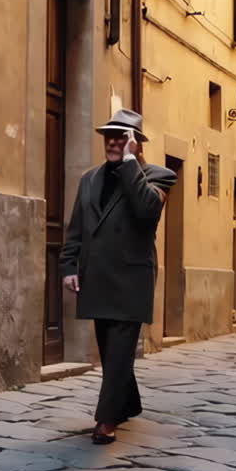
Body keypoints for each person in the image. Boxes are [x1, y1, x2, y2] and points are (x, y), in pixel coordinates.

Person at [59, 109, 176, 445]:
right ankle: (128, 403)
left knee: (120, 350)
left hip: (131, 280)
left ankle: (106, 420)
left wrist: (128, 164)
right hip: (96, 277)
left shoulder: (160, 176)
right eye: (109, 135)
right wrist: (69, 268)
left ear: (136, 143)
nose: (113, 141)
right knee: (111, 349)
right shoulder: (89, 179)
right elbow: (76, 229)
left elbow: (147, 211)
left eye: (122, 136)